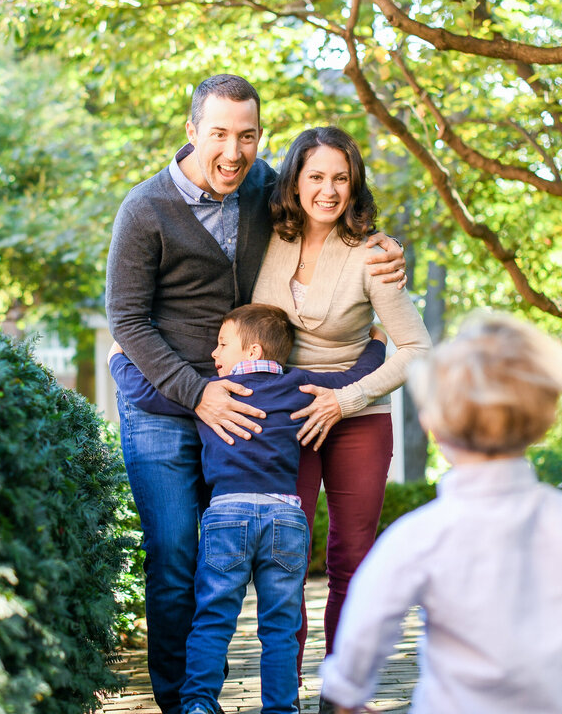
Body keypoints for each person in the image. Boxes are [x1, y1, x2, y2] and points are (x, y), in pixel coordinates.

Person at [105, 75, 405, 714]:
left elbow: (329, 199)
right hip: (166, 401)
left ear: (259, 139)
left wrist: (383, 249)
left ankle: (283, 698)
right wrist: (199, 393)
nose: (233, 151)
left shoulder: (265, 187)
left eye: (246, 136)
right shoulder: (145, 208)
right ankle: (181, 702)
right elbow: (126, 320)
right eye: (218, 134)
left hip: (249, 405)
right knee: (177, 554)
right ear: (192, 132)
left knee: (252, 548)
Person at [319, 312, 562, 714]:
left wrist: (347, 689)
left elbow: (371, 612)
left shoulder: (420, 533)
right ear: (544, 421)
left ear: (434, 425)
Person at [109, 304, 388, 714]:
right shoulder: (299, 385)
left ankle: (198, 703)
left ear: (253, 351)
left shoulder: (212, 393)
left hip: (227, 518)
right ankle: (280, 709)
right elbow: (353, 379)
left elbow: (147, 393)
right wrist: (377, 343)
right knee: (281, 628)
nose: (214, 354)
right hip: (285, 518)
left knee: (213, 619)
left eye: (223, 344)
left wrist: (118, 359)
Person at [250, 126, 431, 692]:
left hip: (359, 419)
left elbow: (417, 349)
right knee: (283, 560)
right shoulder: (263, 237)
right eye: (316, 177)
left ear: (354, 185)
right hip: (286, 419)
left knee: (352, 559)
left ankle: (343, 691)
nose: (328, 190)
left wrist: (346, 399)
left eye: (341, 178)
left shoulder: (374, 254)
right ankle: (282, 693)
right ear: (294, 182)